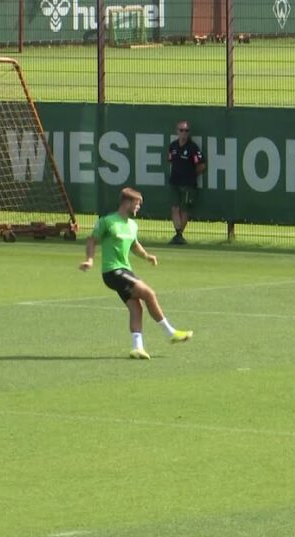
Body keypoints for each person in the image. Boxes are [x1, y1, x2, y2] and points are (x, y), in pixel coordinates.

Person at [79, 187, 193, 359]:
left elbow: (134, 245)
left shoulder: (132, 225)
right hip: (112, 271)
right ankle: (170, 333)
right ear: (127, 202)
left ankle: (137, 348)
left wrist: (147, 256)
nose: (138, 207)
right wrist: (90, 259)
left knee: (136, 308)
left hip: (125, 270)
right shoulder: (107, 221)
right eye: (137, 203)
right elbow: (92, 240)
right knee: (149, 293)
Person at [166, 120, 205, 245]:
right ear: (177, 131)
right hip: (175, 182)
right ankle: (178, 234)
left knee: (184, 209)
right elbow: (171, 161)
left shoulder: (193, 148)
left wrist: (191, 175)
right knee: (174, 208)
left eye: (186, 131)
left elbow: (201, 165)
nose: (184, 133)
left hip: (188, 184)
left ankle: (179, 235)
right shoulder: (173, 146)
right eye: (181, 130)